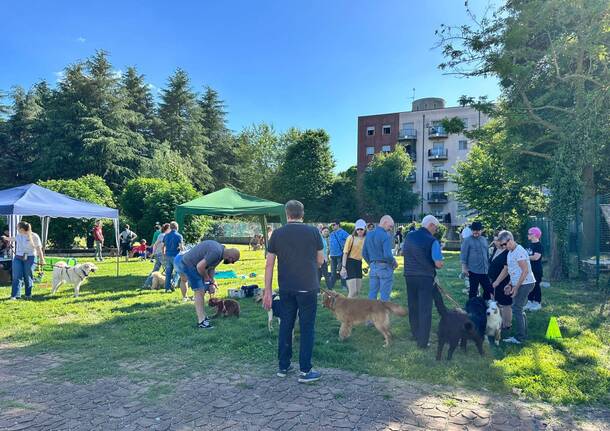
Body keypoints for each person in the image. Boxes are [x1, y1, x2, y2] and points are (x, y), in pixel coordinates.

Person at [263, 200, 324, 383]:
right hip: (308, 287)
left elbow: (269, 264)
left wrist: (267, 291)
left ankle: (283, 365)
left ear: (286, 214)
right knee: (307, 327)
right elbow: (320, 260)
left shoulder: (277, 234)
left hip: (286, 287)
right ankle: (305, 370)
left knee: (286, 325)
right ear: (302, 214)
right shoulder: (314, 232)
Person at [175, 240, 240, 328]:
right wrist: (206, 278)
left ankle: (203, 317)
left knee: (202, 290)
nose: (231, 263)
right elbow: (200, 267)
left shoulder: (221, 253)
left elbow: (211, 268)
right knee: (199, 291)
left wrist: (211, 282)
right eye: (233, 261)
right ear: (231, 257)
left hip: (194, 265)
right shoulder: (216, 252)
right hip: (188, 264)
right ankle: (201, 322)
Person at [403, 215, 444, 349]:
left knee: (413, 306)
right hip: (425, 277)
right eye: (436, 227)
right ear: (431, 225)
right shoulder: (432, 241)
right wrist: (440, 262)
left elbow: (405, 252)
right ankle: (422, 342)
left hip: (409, 275)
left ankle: (415, 333)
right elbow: (438, 264)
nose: (436, 230)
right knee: (425, 310)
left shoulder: (409, 236)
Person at [498, 230, 536, 345]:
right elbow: (515, 271)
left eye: (504, 244)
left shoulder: (519, 251)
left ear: (510, 239)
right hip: (519, 283)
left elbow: (524, 271)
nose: (504, 247)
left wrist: (516, 287)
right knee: (518, 308)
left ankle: (520, 337)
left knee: (516, 308)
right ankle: (523, 333)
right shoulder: (510, 252)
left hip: (526, 283)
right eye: (501, 245)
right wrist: (509, 284)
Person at [1, 221, 46, 300]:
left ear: (21, 229)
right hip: (18, 258)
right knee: (16, 276)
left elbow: (39, 249)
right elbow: (12, 239)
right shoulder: (19, 235)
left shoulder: (34, 236)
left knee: (27, 276)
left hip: (30, 257)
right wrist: (5, 238)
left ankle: (28, 294)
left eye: (17, 227)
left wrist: (42, 260)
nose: (16, 228)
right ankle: (15, 295)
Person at [363, 215, 397, 301]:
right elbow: (388, 255)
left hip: (373, 266)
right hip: (385, 267)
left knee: (372, 293)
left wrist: (370, 264)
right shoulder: (385, 235)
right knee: (385, 295)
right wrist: (394, 262)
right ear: (385, 223)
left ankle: (371, 313)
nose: (391, 229)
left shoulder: (369, 234)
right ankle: (384, 314)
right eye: (390, 226)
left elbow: (364, 253)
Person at [460, 221, 493, 300]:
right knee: (473, 291)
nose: (475, 232)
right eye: (474, 230)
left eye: (477, 230)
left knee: (488, 289)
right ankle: (472, 308)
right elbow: (463, 255)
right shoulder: (467, 240)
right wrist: (464, 268)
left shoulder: (484, 239)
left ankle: (485, 306)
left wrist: (489, 266)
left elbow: (487, 254)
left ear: (481, 230)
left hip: (484, 270)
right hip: (473, 270)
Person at [488, 233, 512, 330]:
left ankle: (507, 325)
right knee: (497, 302)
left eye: (497, 240)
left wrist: (497, 282)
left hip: (503, 281)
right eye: (495, 240)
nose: (496, 242)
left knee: (505, 303)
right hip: (494, 280)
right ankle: (499, 322)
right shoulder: (495, 249)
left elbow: (506, 269)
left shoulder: (508, 252)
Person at [340, 219, 367, 298]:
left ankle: (354, 309)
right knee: (353, 291)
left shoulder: (366, 239)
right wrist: (343, 267)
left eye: (361, 229)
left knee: (357, 292)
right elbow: (345, 253)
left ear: (365, 228)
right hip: (350, 263)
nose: (359, 231)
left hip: (359, 263)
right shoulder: (351, 238)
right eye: (357, 229)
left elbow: (367, 253)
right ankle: (346, 309)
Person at [143, 223, 170, 288]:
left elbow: (155, 244)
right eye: (170, 228)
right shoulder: (163, 235)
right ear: (167, 229)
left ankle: (146, 284)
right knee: (168, 269)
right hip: (161, 254)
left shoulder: (161, 235)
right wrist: (153, 253)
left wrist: (153, 253)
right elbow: (156, 244)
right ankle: (169, 284)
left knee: (155, 270)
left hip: (158, 254)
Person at [163, 221, 184, 296]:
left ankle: (166, 288)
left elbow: (163, 246)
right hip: (176, 256)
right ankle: (173, 283)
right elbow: (181, 247)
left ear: (170, 227)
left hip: (168, 255)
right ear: (177, 227)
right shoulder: (179, 236)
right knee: (178, 271)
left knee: (168, 272)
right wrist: (183, 252)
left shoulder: (166, 235)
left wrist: (164, 254)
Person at [525, 227, 544, 311]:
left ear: (535, 235)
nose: (528, 235)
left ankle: (537, 302)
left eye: (530, 233)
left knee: (536, 286)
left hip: (536, 270)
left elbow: (536, 257)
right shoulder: (529, 244)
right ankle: (530, 301)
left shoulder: (539, 245)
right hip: (529, 269)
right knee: (529, 286)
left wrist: (525, 257)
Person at [328, 220, 349, 290]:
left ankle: (344, 285)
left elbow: (350, 240)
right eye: (332, 225)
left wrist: (346, 249)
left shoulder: (343, 233)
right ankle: (331, 286)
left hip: (340, 255)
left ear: (338, 225)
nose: (332, 226)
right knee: (333, 271)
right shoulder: (331, 234)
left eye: (334, 225)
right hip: (332, 255)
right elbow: (330, 244)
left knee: (342, 271)